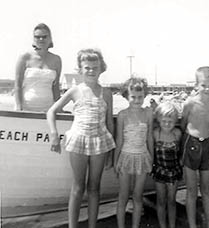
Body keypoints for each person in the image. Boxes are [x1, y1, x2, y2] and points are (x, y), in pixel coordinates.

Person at [47, 48, 115, 228]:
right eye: (87, 67)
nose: (91, 71)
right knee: (78, 187)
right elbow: (51, 111)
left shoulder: (106, 93)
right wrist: (54, 134)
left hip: (100, 143)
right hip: (78, 140)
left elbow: (110, 123)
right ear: (80, 69)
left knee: (94, 187)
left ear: (101, 68)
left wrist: (111, 152)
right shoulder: (74, 90)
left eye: (95, 67)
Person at [181, 66, 209, 228]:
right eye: (204, 85)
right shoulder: (190, 103)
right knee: (191, 190)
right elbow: (183, 123)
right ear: (197, 85)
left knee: (206, 189)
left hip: (207, 145)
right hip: (190, 143)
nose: (207, 88)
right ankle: (192, 225)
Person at [114, 77, 154, 228]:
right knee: (123, 195)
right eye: (133, 97)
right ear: (126, 96)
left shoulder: (148, 113)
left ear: (144, 96)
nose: (137, 100)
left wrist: (152, 158)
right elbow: (119, 140)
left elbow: (149, 137)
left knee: (138, 196)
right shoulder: (122, 115)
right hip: (125, 157)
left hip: (143, 157)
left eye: (140, 97)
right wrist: (116, 161)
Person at [15, 23, 62, 112]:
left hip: (48, 109)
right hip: (26, 108)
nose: (41, 39)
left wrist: (59, 108)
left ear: (50, 38)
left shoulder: (56, 60)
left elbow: (55, 87)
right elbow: (18, 85)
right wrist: (18, 107)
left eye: (44, 37)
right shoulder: (24, 57)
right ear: (33, 39)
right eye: (37, 37)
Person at [151, 101, 182, 228]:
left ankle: (172, 225)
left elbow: (180, 152)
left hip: (174, 171)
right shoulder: (156, 133)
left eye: (170, 121)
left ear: (175, 121)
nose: (167, 124)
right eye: (164, 121)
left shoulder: (177, 134)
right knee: (161, 200)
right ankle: (163, 225)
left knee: (171, 200)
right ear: (159, 120)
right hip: (159, 171)